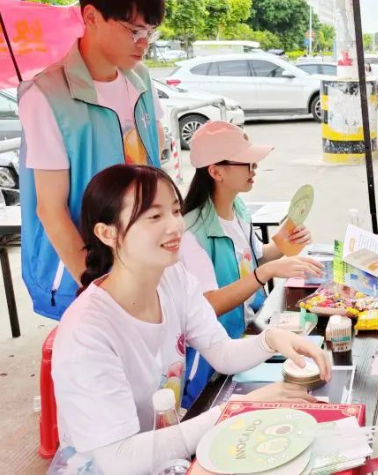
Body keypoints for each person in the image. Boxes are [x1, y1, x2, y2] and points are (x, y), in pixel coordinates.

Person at [51, 164, 330, 474]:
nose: (175, 226)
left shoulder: (172, 278)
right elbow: (120, 460)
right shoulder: (86, 333)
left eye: (175, 211)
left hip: (164, 455)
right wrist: (235, 410)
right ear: (107, 233)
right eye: (154, 216)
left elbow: (222, 353)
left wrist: (271, 339)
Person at [19, 0, 167, 320]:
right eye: (134, 30)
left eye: (151, 32)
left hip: (143, 265)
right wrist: (99, 289)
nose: (144, 43)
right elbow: (50, 210)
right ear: (91, 17)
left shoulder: (140, 80)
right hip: (83, 277)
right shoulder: (47, 95)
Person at [179, 121, 323, 407]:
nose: (254, 169)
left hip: (250, 331)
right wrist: (264, 273)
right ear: (216, 172)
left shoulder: (238, 208)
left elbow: (255, 257)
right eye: (246, 163)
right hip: (215, 357)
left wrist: (284, 243)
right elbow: (209, 305)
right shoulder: (191, 233)